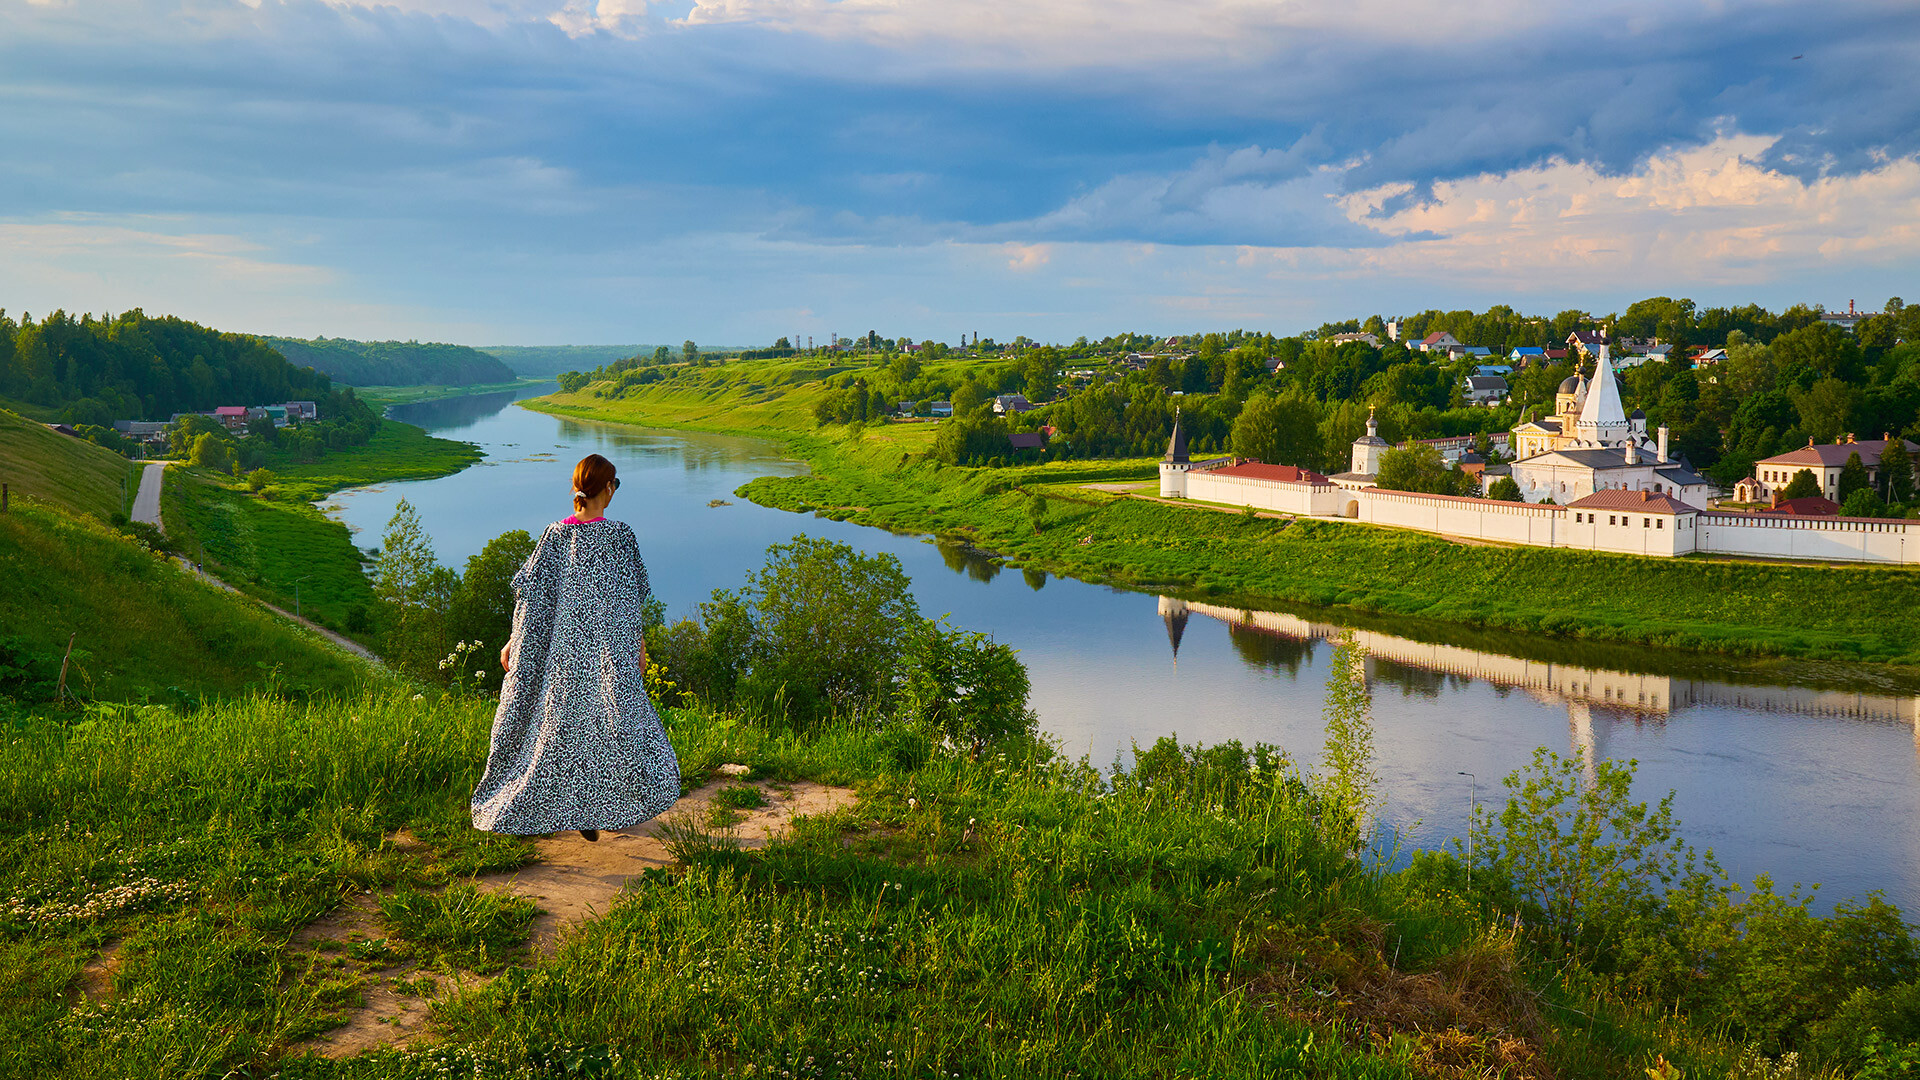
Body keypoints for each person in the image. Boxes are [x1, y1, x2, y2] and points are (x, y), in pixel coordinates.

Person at [471, 453, 680, 841]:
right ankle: (591, 807)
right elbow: (630, 602)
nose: (615, 490)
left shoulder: (555, 535)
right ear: (607, 488)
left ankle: (582, 807)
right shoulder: (621, 537)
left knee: (559, 730)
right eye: (615, 484)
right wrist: (638, 645)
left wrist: (515, 639)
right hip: (606, 658)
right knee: (612, 727)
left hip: (561, 660)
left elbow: (532, 598)